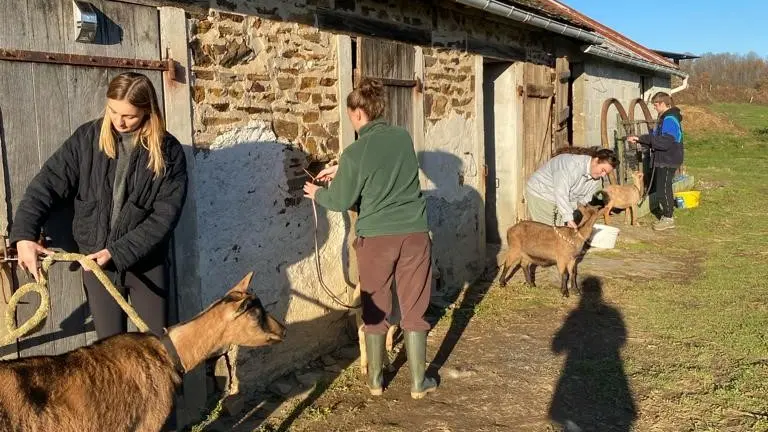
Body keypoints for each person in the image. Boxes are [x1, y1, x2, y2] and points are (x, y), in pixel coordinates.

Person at [10, 72, 188, 340]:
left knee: (156, 352)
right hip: (96, 265)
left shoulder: (169, 152)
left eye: (129, 115)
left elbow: (164, 218)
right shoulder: (87, 139)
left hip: (147, 264)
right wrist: (24, 235)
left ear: (147, 110)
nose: (119, 121)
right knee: (108, 353)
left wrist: (116, 252)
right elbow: (47, 184)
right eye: (113, 111)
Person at [303, 78, 437, 400]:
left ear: (359, 112)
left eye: (350, 114)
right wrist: (342, 168)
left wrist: (317, 191)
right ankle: (419, 383)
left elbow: (339, 199)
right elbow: (382, 167)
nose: (351, 120)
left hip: (377, 239)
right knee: (414, 310)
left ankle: (376, 381)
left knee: (376, 310)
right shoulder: (403, 138)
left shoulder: (355, 151)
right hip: (414, 235)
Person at [627, 92, 684, 231]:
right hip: (664, 158)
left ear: (663, 104)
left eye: (655, 105)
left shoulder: (670, 119)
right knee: (663, 187)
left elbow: (665, 142)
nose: (655, 108)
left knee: (663, 189)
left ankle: (668, 218)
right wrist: (639, 138)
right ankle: (667, 214)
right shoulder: (664, 118)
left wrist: (644, 140)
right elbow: (655, 136)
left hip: (668, 158)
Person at [525, 147, 618, 228]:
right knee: (548, 232)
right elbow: (561, 193)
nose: (603, 175)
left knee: (561, 230)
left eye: (606, 173)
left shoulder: (596, 179)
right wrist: (568, 218)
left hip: (561, 199)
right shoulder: (570, 166)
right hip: (542, 193)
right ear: (596, 160)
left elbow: (585, 199)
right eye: (603, 170)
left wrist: (574, 209)